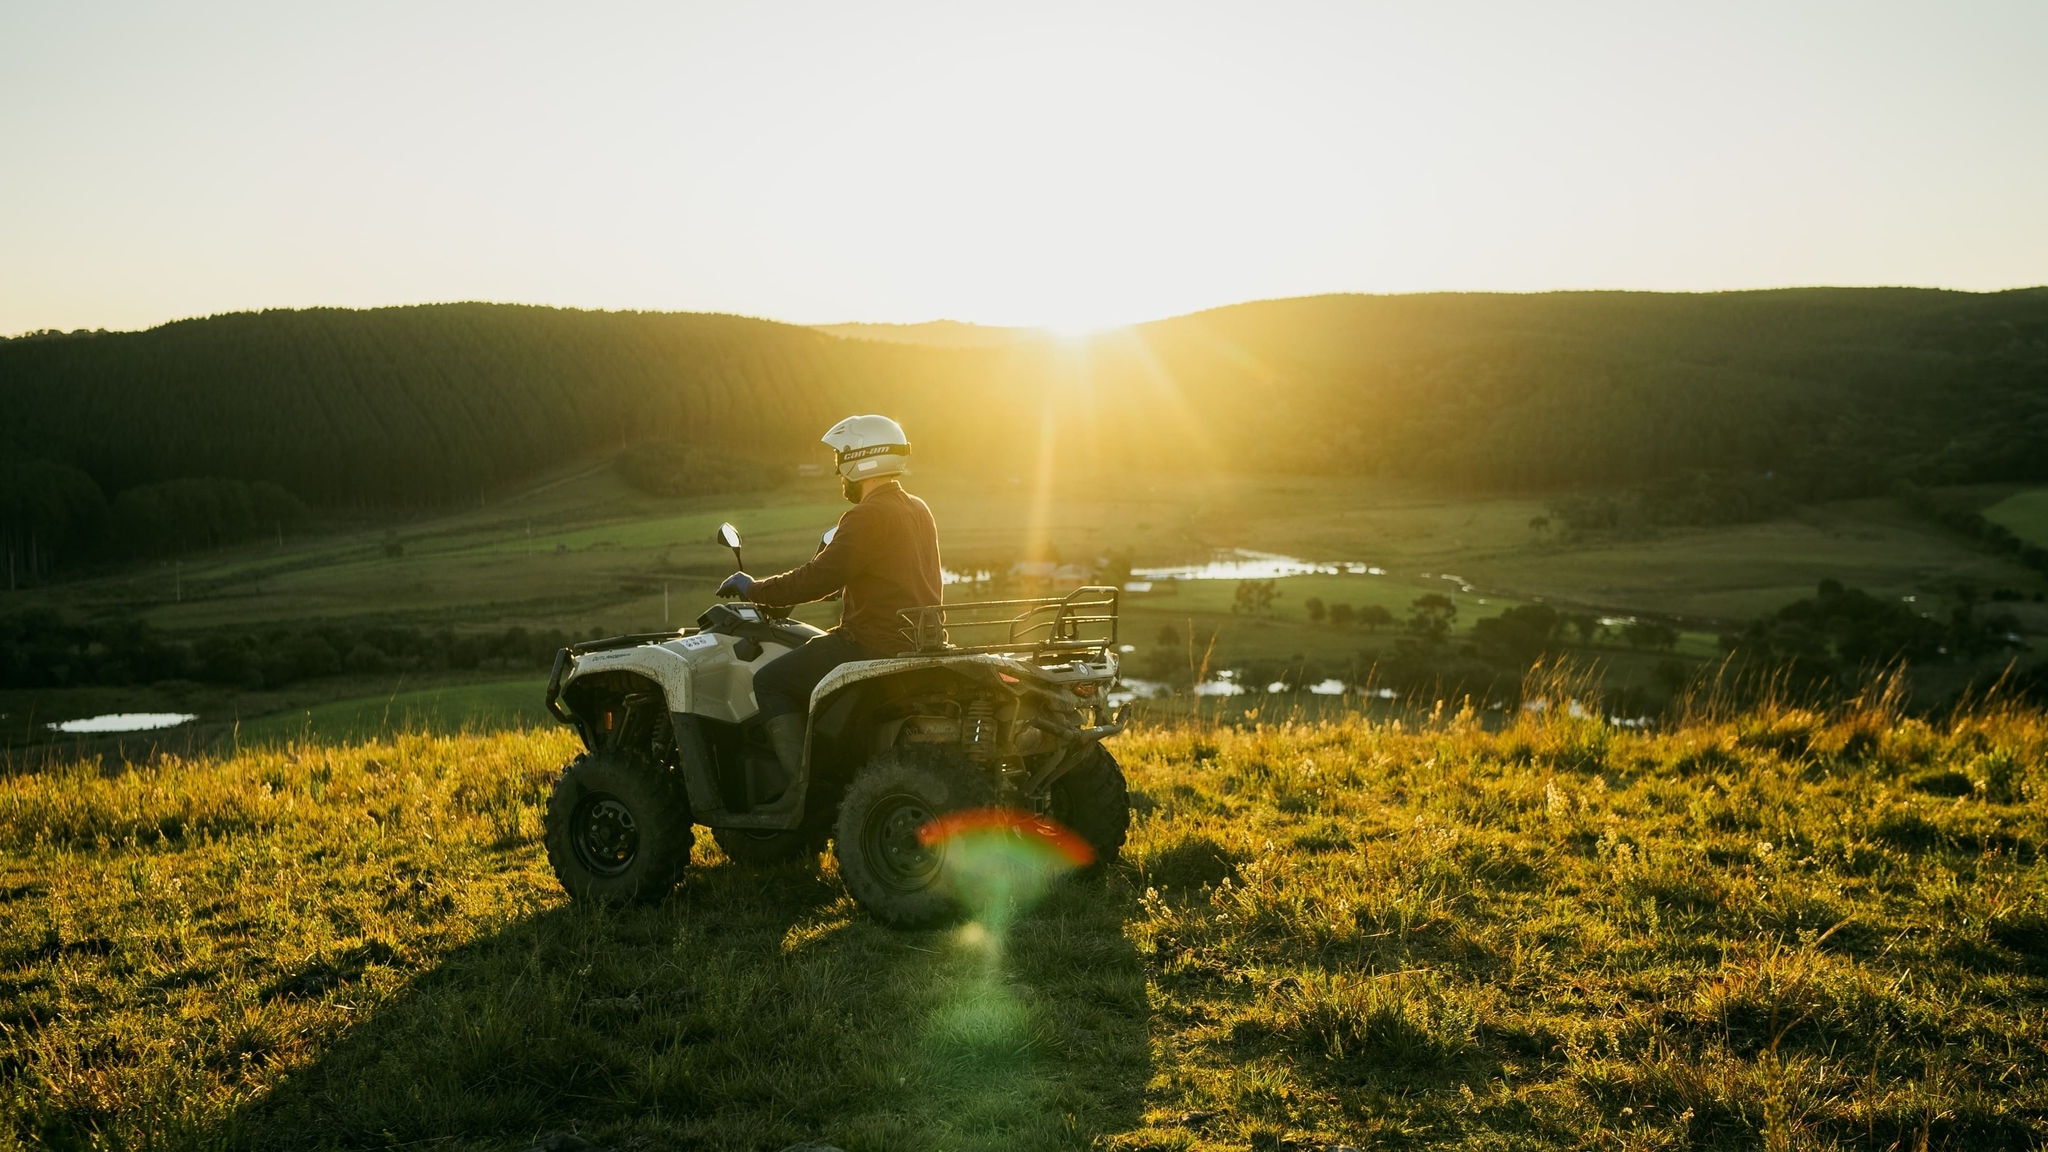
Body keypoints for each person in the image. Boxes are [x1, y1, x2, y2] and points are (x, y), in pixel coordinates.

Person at [716, 414, 942, 786]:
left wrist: (753, 588)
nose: (839, 474)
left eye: (841, 461)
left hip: (870, 644)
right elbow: (891, 574)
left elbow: (815, 579)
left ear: (860, 459)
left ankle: (805, 789)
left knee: (771, 681)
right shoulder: (918, 509)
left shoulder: (866, 515)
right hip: (917, 642)